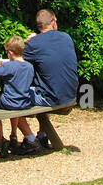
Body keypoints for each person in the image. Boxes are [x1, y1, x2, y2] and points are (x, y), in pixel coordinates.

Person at [23, 8, 79, 150]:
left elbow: (18, 63)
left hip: (52, 98)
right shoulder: (66, 37)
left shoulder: (33, 44)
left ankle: (29, 139)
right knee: (45, 85)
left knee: (12, 96)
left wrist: (31, 42)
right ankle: (42, 135)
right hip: (71, 95)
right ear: (53, 22)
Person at [0, 36, 36, 156]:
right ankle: (13, 135)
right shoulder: (29, 66)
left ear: (10, 52)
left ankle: (1, 140)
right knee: (14, 107)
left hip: (9, 102)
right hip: (24, 102)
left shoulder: (9, 66)